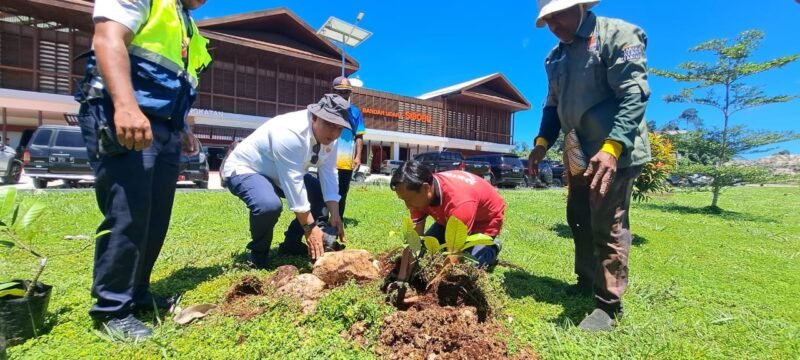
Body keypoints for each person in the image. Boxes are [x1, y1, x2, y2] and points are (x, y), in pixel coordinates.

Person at [74, 0, 212, 339]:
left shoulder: (185, 21)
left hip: (165, 127)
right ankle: (112, 309)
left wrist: (183, 127)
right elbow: (108, 37)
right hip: (125, 115)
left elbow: (175, 80)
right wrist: (125, 105)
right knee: (129, 213)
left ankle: (137, 292)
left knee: (155, 215)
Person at [528, 0, 652, 331]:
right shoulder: (555, 58)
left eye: (558, 16)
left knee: (606, 223)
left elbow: (634, 94)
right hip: (578, 151)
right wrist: (541, 143)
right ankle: (586, 280)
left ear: (580, 6)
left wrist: (612, 148)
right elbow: (552, 106)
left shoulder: (617, 35)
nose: (554, 26)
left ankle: (608, 306)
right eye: (547, 20)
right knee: (579, 217)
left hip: (614, 150)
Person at [222, 94, 350, 268]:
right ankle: (258, 255)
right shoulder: (291, 132)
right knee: (268, 205)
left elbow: (329, 173)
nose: (334, 133)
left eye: (339, 128)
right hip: (248, 168)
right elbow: (294, 184)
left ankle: (291, 244)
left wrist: (335, 214)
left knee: (318, 192)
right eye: (329, 124)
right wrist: (310, 227)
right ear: (314, 117)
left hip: (280, 173)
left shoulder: (331, 139)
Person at [390, 161, 505, 267]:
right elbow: (414, 241)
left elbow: (453, 255)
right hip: (450, 219)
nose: (408, 206)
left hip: (484, 221)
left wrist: (438, 280)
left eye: (409, 200)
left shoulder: (458, 201)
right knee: (425, 252)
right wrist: (403, 276)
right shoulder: (417, 193)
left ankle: (492, 248)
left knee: (468, 265)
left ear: (426, 188)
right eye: (404, 200)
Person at [330, 76, 366, 218]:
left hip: (345, 162)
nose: (344, 95)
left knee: (342, 192)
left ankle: (337, 219)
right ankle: (322, 220)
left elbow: (359, 136)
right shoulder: (325, 109)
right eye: (340, 91)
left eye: (346, 92)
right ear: (333, 92)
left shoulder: (355, 112)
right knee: (323, 190)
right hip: (326, 159)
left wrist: (358, 157)